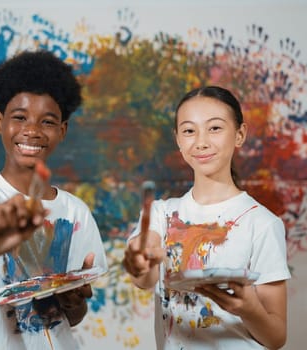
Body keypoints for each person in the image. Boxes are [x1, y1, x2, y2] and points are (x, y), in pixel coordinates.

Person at [0, 50, 108, 350]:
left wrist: (72, 299)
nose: (32, 130)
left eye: (47, 121)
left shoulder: (75, 212)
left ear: (62, 131)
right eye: (20, 118)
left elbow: (76, 316)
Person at [123, 86, 290, 350]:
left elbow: (276, 337)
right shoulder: (160, 213)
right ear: (178, 139)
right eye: (189, 130)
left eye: (215, 128)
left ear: (240, 134)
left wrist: (249, 309)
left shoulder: (262, 224)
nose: (201, 142)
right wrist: (141, 261)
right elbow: (144, 278)